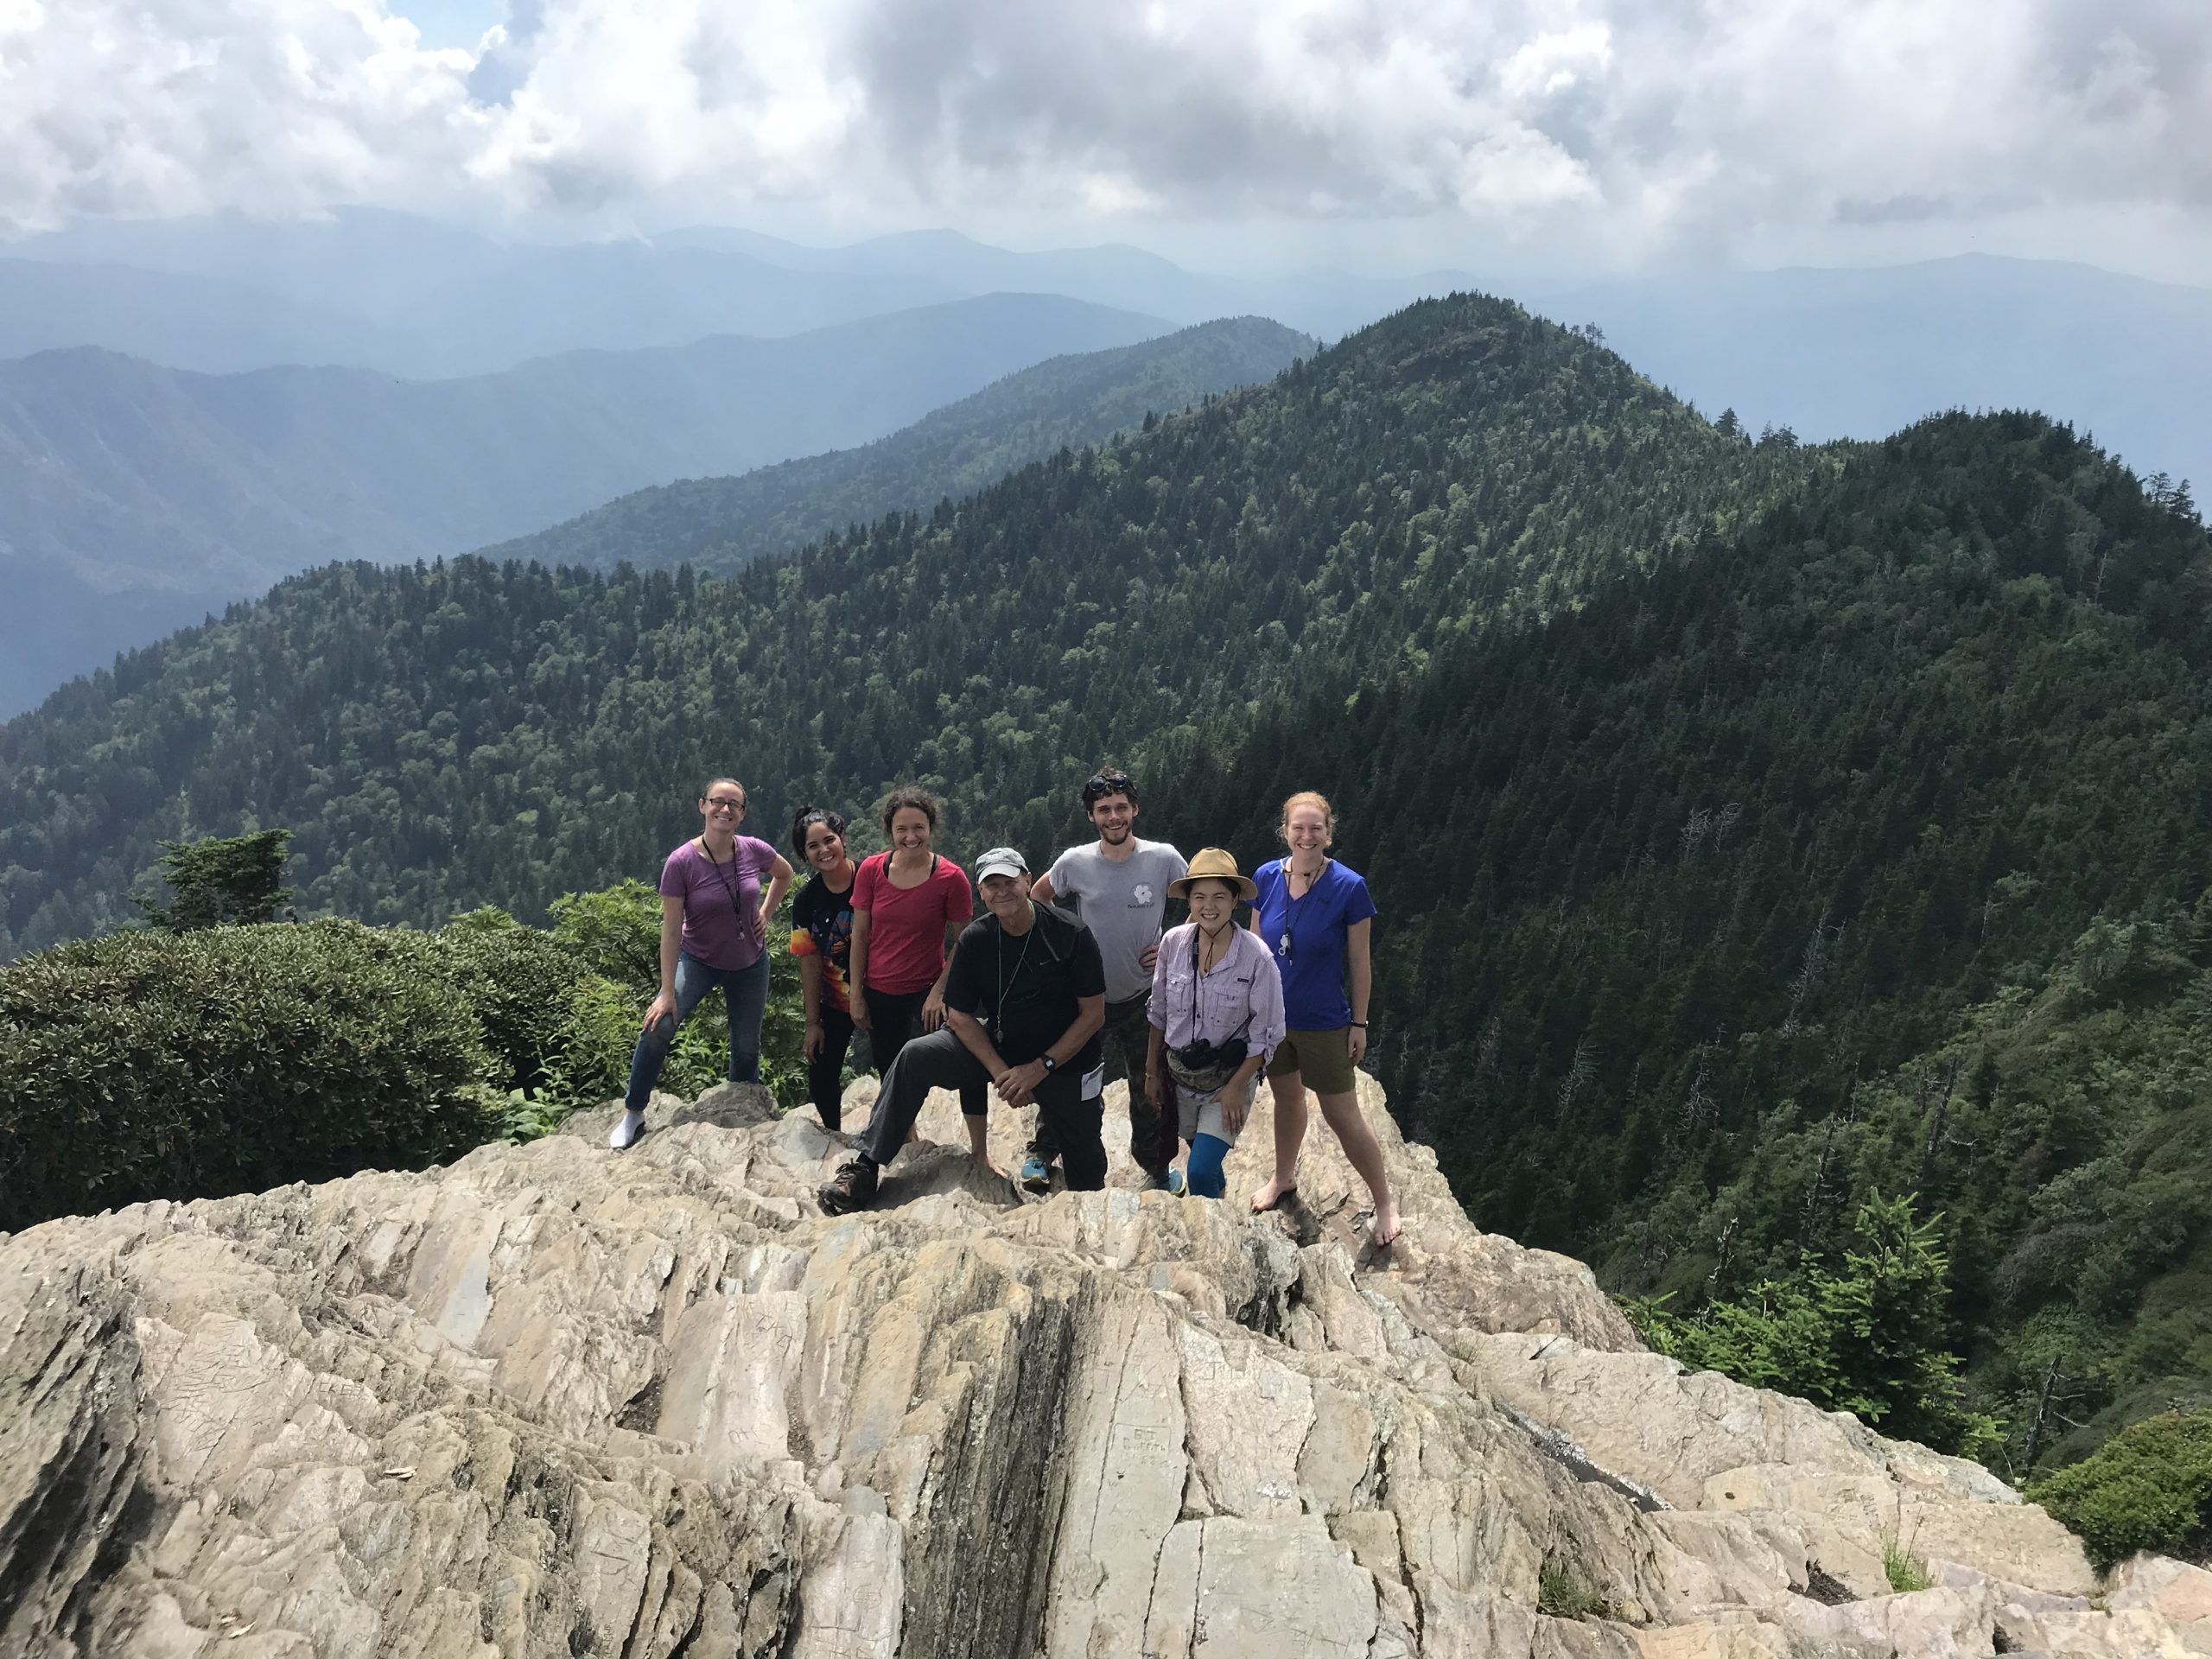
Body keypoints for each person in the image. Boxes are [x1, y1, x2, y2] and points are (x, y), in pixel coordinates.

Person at [819, 848, 1108, 1214]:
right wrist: (1000, 1072)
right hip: (1003, 1044)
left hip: (1065, 1062)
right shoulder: (977, 939)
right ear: (981, 891)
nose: (1002, 892)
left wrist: (1039, 1069)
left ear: (1028, 880)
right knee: (915, 1056)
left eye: (1010, 882)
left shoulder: (1069, 934)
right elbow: (959, 1015)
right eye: (992, 885)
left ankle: (1069, 1172)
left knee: (1089, 1174)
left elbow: (1093, 1015)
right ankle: (865, 1166)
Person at [1022, 767, 1188, 1193]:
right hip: (1085, 996)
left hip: (1142, 996)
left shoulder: (1163, 858)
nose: (1113, 817)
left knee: (1149, 1081)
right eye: (1103, 810)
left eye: (1120, 808)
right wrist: (1058, 950)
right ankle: (1042, 1152)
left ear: (1134, 809)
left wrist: (1174, 941)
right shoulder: (1075, 862)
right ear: (1091, 817)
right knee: (1064, 1075)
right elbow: (1038, 897)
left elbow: (1203, 898)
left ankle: (1155, 1165)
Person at [1247, 791, 1400, 1244]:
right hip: (1274, 1019)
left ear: (1328, 834)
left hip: (1325, 1021)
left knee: (1342, 1116)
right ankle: (1283, 1177)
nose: (1307, 836)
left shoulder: (1349, 887)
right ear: (1286, 831)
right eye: (1299, 827)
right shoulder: (1267, 877)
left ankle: (1385, 1201)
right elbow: (1254, 952)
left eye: (1316, 828)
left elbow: (1361, 962)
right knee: (1286, 1100)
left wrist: (1360, 1022)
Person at [611, 777, 795, 1150]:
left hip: (750, 961)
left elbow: (785, 873)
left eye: (734, 805)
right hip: (699, 959)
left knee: (746, 1046)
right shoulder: (681, 862)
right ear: (702, 806)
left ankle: (742, 1113)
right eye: (717, 802)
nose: (724, 810)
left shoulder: (753, 850)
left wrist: (766, 913)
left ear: (742, 814)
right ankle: (634, 1113)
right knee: (659, 1024)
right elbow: (670, 931)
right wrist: (666, 992)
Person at [1145, 849, 1285, 1200]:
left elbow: (1267, 1033)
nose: (1209, 906)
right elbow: (1159, 1011)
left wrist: (1238, 1086)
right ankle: (1220, 1194)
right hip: (1181, 1077)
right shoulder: (1173, 944)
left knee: (1200, 1170)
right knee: (1198, 1149)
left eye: (1220, 896)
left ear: (1235, 900)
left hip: (1228, 1079)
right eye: (1199, 897)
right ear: (1189, 901)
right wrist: (1151, 1072)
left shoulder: (1257, 958)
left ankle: (1214, 1234)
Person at [846, 786, 986, 1119]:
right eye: (902, 829)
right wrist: (856, 993)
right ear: (890, 831)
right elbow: (860, 934)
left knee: (968, 1061)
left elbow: (963, 942)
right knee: (890, 1068)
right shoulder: (871, 870)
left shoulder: (950, 878)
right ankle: (907, 1139)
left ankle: (979, 1152)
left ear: (931, 827)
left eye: (918, 828)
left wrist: (940, 991)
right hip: (881, 990)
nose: (911, 837)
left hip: (928, 989)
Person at [786, 804, 858, 1130]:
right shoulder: (806, 901)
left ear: (842, 838)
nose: (824, 850)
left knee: (894, 1068)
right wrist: (812, 1022)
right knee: (821, 1075)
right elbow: (810, 961)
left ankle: (905, 1134)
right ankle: (834, 1135)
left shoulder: (873, 878)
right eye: (813, 846)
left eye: (829, 840)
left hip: (883, 990)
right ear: (804, 853)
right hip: (835, 1000)